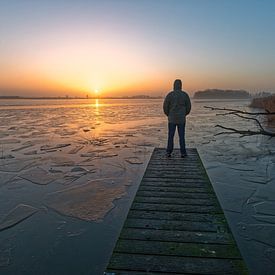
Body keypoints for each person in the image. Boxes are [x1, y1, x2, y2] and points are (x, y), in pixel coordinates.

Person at [163, 79, 191, 158]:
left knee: (170, 136)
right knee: (181, 136)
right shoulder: (185, 95)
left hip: (172, 119)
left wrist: (168, 114)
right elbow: (188, 107)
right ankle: (183, 152)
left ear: (174, 85)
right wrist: (184, 114)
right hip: (181, 119)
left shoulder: (170, 95)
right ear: (181, 85)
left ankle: (169, 152)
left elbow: (165, 107)